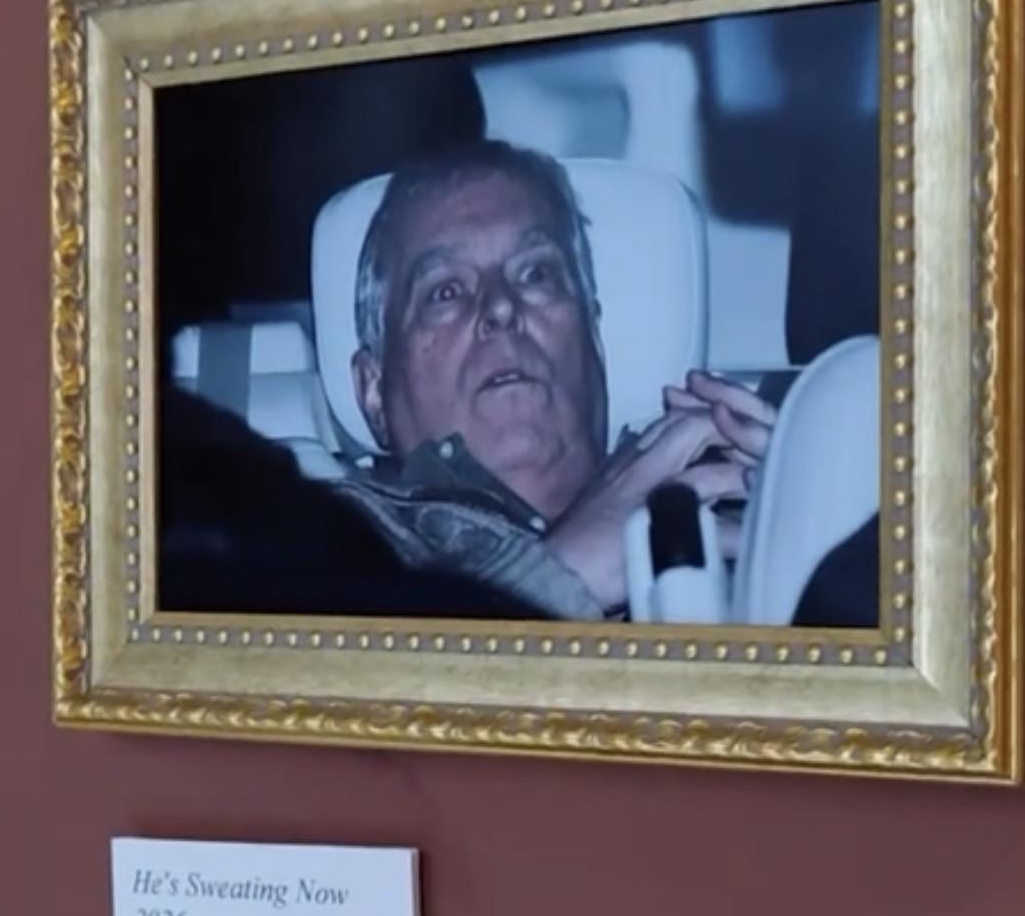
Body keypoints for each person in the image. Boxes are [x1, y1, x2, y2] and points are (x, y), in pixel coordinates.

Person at [332, 140, 776, 621]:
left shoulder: (729, 508)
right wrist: (562, 578)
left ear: (594, 341)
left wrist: (802, 503)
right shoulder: (326, 546)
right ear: (373, 390)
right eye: (445, 291)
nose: (501, 306)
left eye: (535, 274)